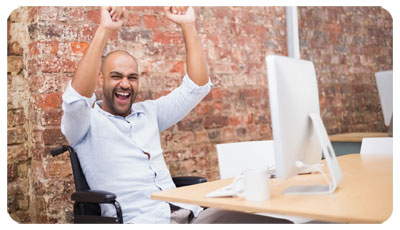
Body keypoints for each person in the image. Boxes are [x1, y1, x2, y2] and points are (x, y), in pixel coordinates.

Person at [61, 6, 291, 224]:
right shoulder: (84, 125)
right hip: (145, 221)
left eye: (132, 77)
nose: (125, 84)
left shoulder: (149, 113)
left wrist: (188, 25)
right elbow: (75, 99)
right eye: (116, 76)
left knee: (276, 220)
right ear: (100, 80)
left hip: (191, 213)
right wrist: (105, 29)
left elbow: (196, 88)